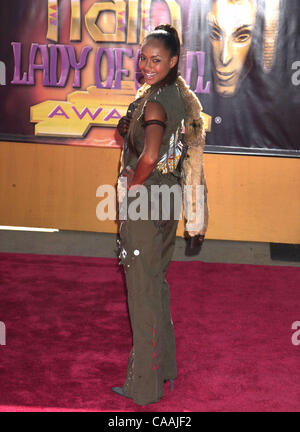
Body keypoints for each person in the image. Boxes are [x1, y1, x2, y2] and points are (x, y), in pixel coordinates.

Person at [112, 24, 208, 406]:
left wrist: (133, 185)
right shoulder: (178, 99)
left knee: (143, 294)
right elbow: (172, 152)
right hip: (169, 200)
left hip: (147, 203)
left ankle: (143, 386)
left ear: (172, 61)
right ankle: (165, 369)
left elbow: (150, 156)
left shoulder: (153, 102)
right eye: (143, 58)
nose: (147, 65)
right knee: (158, 284)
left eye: (156, 60)